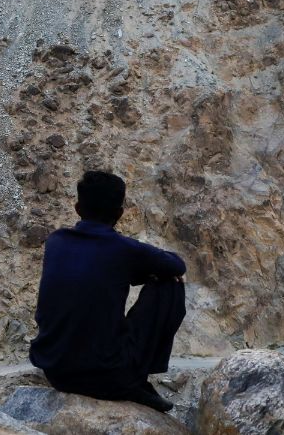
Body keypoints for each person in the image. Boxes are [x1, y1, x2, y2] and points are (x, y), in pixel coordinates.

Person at [29, 170, 187, 413]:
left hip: (56, 372)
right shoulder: (123, 249)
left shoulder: (56, 241)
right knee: (171, 283)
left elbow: (98, 268)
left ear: (77, 208)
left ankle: (130, 378)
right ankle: (134, 380)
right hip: (107, 377)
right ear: (119, 213)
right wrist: (150, 274)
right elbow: (177, 265)